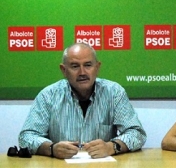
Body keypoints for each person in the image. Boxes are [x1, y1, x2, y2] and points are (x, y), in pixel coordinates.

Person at [18, 43, 146, 159]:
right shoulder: (49, 95)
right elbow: (26, 136)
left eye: (88, 65)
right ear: (64, 70)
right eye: (75, 66)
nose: (82, 72)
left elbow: (136, 133)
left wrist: (111, 147)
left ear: (97, 67)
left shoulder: (114, 92)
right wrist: (51, 149)